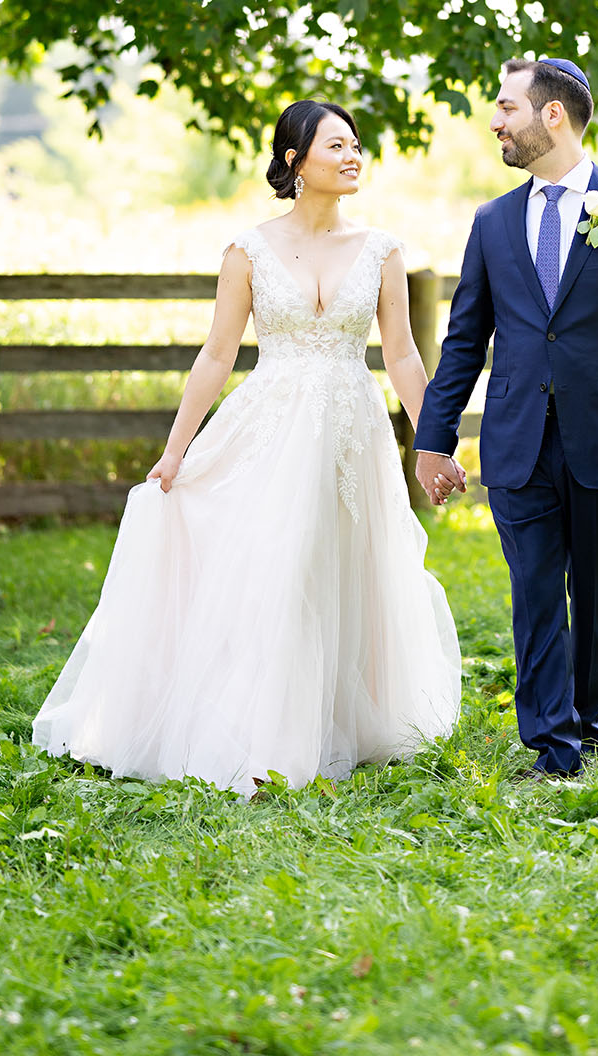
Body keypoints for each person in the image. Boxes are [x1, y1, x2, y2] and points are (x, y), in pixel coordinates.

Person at [32, 100, 462, 796]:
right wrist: (175, 452)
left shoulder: (382, 250)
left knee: (348, 566)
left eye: (356, 146)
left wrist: (435, 443)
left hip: (354, 432)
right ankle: (263, 733)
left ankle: (343, 721)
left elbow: (405, 357)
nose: (353, 156)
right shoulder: (248, 251)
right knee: (280, 568)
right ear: (295, 161)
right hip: (272, 429)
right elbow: (216, 356)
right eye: (336, 146)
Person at [411, 57, 598, 780]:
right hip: (517, 440)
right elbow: (464, 341)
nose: (495, 122)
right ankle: (552, 742)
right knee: (536, 590)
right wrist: (433, 440)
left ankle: (586, 719)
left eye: (507, 107)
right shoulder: (491, 222)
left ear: (552, 116)